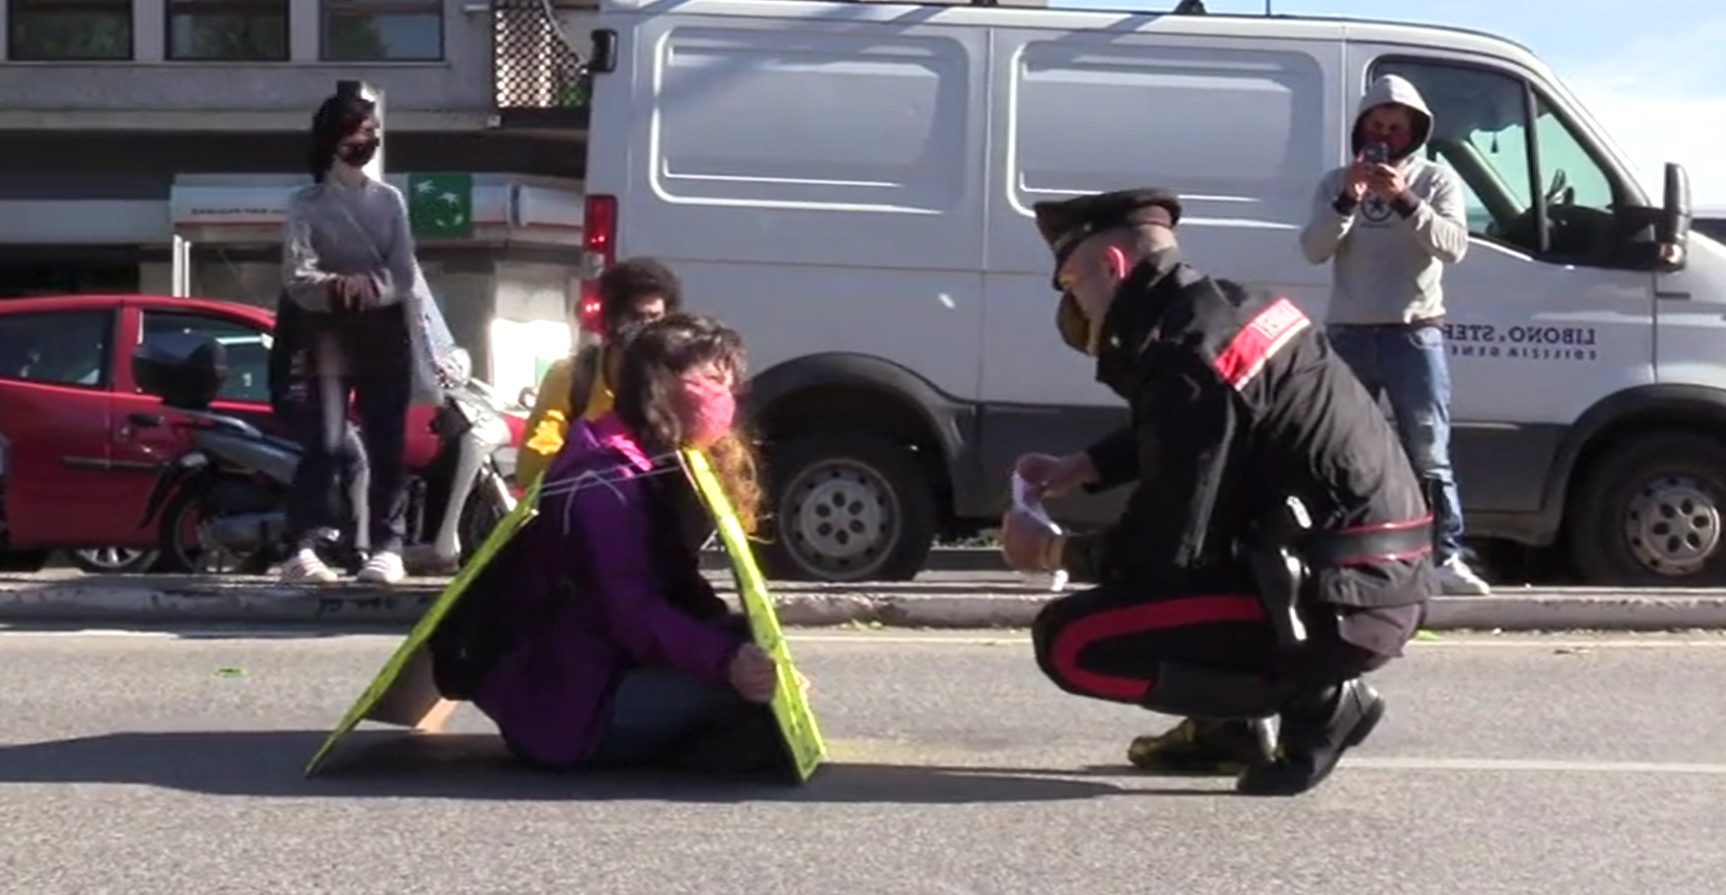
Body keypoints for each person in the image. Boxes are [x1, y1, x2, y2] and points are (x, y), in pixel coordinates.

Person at [1003, 188, 1436, 796]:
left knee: (1072, 640)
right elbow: (1199, 432)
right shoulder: (1227, 311)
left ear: (1112, 267)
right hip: (1374, 574)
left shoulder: (1182, 356)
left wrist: (1051, 552)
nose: (1070, 302)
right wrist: (1083, 465)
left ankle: (1321, 700)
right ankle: (1229, 729)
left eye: (1070, 281)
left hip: (1343, 604)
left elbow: (1162, 548)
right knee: (1205, 558)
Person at [465, 313, 790, 774]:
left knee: (750, 653)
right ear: (662, 386)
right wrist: (728, 664)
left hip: (604, 671)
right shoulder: (606, 483)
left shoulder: (645, 461)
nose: (726, 396)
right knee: (743, 702)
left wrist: (742, 648)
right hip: (573, 708)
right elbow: (634, 613)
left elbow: (676, 585)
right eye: (713, 379)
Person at [1299, 73, 1490, 596]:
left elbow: (1454, 247)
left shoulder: (1435, 181)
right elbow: (1313, 248)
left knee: (1428, 450)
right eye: (1377, 125)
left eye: (1395, 128)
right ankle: (1339, 553)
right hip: (1350, 333)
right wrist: (1347, 200)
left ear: (1413, 133)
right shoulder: (1335, 180)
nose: (1384, 136)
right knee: (1340, 447)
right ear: (1362, 128)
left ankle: (1446, 557)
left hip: (1414, 334)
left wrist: (1404, 199)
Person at [277, 89, 463, 585]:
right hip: (327, 335)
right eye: (360, 130)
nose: (369, 139)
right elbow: (298, 277)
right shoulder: (305, 204)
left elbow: (403, 273)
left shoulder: (389, 201)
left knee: (387, 443)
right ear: (335, 138)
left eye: (373, 130)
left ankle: (388, 544)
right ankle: (304, 545)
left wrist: (365, 289)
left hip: (384, 333)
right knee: (326, 439)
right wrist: (340, 289)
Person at [515, 258, 684, 487]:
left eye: (654, 318)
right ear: (611, 319)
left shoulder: (680, 380)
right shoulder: (571, 376)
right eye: (636, 317)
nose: (646, 329)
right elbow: (535, 461)